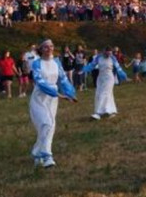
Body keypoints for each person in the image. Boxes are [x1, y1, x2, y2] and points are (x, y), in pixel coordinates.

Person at [29, 39, 77, 168]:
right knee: (46, 123)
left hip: (53, 99)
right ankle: (47, 155)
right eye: (46, 47)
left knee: (49, 125)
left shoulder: (57, 62)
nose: (49, 49)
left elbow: (63, 79)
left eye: (51, 46)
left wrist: (70, 93)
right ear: (41, 49)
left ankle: (38, 153)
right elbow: (39, 81)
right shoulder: (36, 63)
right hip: (40, 97)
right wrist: (57, 94)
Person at [82, 47, 127, 120]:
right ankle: (111, 111)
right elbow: (91, 65)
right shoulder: (98, 57)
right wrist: (84, 70)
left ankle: (99, 113)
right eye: (107, 53)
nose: (109, 54)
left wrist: (123, 75)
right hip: (100, 78)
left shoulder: (113, 58)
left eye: (110, 53)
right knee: (99, 94)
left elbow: (118, 68)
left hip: (109, 78)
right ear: (104, 51)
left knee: (105, 93)